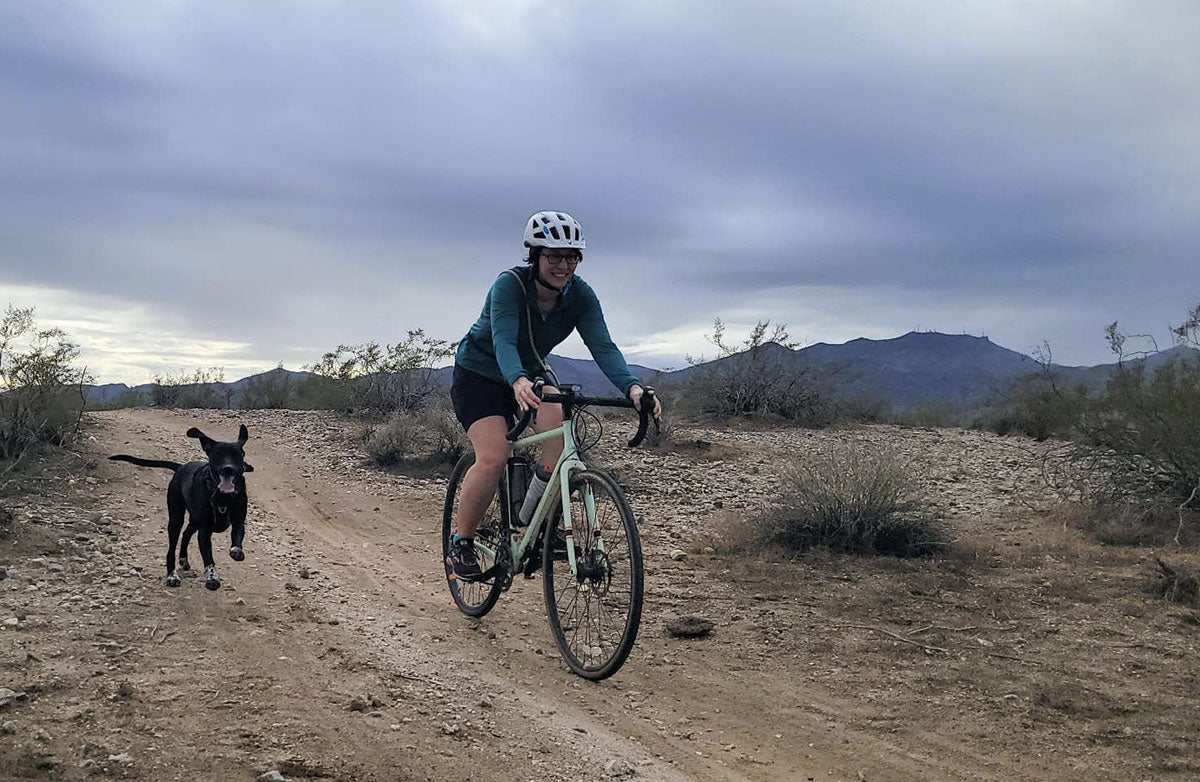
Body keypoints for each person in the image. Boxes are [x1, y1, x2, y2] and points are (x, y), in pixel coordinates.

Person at [447, 210, 662, 580]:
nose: (563, 265)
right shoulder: (509, 286)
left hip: (528, 375)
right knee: (494, 456)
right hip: (481, 374)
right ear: (535, 255)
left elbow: (603, 346)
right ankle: (461, 542)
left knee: (560, 448)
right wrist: (515, 379)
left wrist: (633, 387)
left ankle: (536, 526)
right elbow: (503, 340)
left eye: (572, 256)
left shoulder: (580, 296)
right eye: (554, 256)